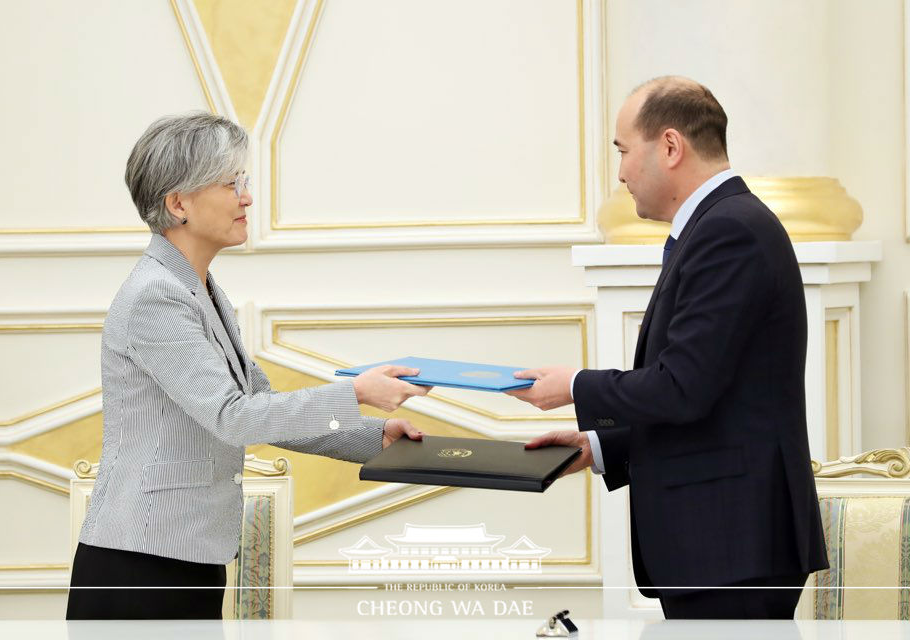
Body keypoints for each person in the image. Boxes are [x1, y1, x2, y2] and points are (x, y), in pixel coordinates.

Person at [67, 112, 430, 620]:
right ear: (179, 204)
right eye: (231, 183)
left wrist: (375, 437)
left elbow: (260, 407)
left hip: (188, 553)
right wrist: (356, 394)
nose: (247, 197)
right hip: (140, 561)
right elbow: (234, 417)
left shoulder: (200, 290)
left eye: (245, 181)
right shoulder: (157, 298)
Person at [508, 76, 828, 619]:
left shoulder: (731, 231)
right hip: (723, 542)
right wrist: (600, 446)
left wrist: (574, 385)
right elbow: (712, 392)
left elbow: (682, 386)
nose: (621, 172)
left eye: (624, 151)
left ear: (672, 147)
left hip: (733, 542)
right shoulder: (717, 225)